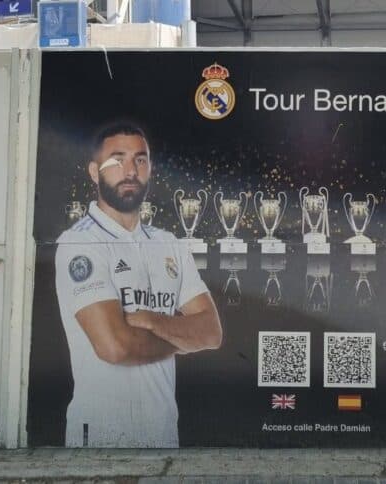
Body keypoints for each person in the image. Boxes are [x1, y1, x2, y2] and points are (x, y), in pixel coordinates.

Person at [54, 122, 222, 448]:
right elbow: (115, 347)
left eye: (140, 160)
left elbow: (212, 333)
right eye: (117, 160)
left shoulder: (170, 244)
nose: (130, 170)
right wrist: (182, 339)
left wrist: (152, 321)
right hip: (100, 437)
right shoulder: (79, 244)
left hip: (163, 435)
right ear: (94, 171)